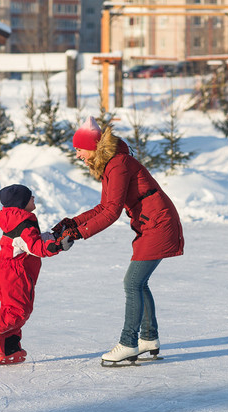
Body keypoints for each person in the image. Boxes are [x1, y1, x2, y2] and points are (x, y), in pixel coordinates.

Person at [53, 116, 184, 364]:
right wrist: (73, 223)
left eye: (79, 149)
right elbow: (104, 206)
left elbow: (112, 213)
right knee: (139, 282)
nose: (78, 155)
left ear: (92, 147)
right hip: (151, 222)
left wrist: (80, 233)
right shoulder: (111, 164)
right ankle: (149, 338)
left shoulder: (118, 164)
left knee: (132, 282)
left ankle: (128, 343)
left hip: (158, 223)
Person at [0, 184, 74, 365]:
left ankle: (10, 350)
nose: (34, 199)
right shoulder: (22, 223)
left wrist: (54, 235)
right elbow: (35, 247)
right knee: (18, 312)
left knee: (13, 311)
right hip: (15, 274)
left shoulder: (18, 221)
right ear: (21, 203)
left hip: (10, 272)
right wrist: (57, 246)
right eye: (30, 197)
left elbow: (31, 240)